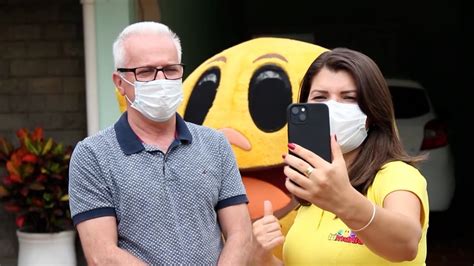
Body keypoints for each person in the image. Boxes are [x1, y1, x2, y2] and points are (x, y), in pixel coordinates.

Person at [68, 21, 252, 265]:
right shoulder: (92, 156)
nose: (161, 80)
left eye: (170, 69)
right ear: (120, 82)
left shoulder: (215, 145)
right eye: (145, 72)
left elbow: (240, 233)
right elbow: (102, 255)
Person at [251, 47, 429, 265]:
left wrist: (344, 201)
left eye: (349, 98)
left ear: (372, 113)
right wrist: (263, 257)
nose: (333, 107)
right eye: (320, 97)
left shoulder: (396, 175)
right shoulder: (315, 188)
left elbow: (406, 244)